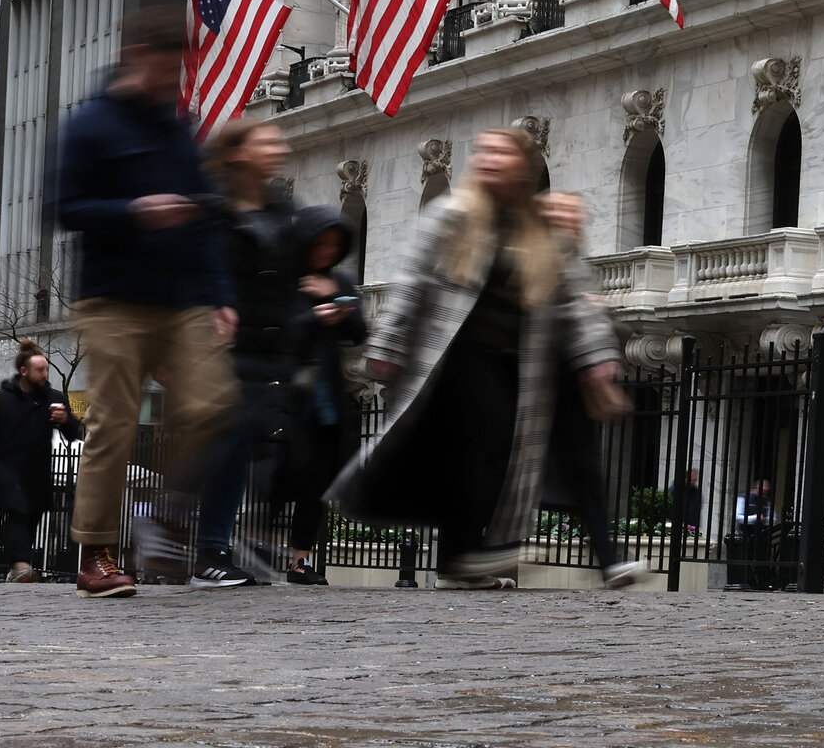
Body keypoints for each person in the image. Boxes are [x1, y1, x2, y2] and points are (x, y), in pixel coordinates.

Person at [331, 127, 624, 588]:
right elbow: (411, 284)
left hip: (516, 362)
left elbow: (570, 299)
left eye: (501, 153)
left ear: (523, 167)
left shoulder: (538, 229)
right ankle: (469, 554)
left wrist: (596, 356)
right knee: (483, 439)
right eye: (483, 152)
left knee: (491, 454)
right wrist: (387, 347)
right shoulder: (450, 215)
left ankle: (458, 563)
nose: (488, 159)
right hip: (457, 353)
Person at [53, 6, 238, 598]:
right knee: (115, 421)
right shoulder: (90, 125)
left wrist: (220, 296)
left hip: (181, 297)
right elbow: (64, 207)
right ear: (136, 59)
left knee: (215, 405)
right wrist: (134, 211)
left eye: (176, 71)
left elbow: (205, 216)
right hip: (113, 299)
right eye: (165, 70)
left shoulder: (177, 128)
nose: (172, 82)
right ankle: (96, 553)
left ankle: (164, 520)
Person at [192, 118, 302, 588]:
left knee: (253, 443)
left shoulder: (281, 209)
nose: (279, 148)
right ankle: (209, 548)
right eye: (266, 142)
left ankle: (218, 539)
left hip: (269, 344)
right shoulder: (214, 210)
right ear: (238, 153)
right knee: (233, 439)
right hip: (220, 342)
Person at [534, 189, 642, 589]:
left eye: (572, 213)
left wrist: (597, 354)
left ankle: (609, 560)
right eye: (557, 211)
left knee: (585, 471)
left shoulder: (573, 260)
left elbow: (581, 315)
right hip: (532, 376)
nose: (566, 218)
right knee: (513, 469)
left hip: (566, 375)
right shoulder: (540, 254)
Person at [279, 204, 368, 584]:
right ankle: (242, 543)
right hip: (284, 393)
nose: (327, 251)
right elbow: (277, 332)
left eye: (335, 244)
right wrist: (314, 317)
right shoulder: (286, 280)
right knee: (284, 473)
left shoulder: (339, 282)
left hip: (325, 398)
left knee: (316, 479)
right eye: (322, 243)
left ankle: (300, 559)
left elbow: (361, 331)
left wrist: (337, 302)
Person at [0, 342, 81, 582]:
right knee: (18, 512)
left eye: (46, 370)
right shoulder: (1, 399)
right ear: (24, 371)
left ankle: (16, 567)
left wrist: (65, 420)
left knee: (32, 515)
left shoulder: (54, 398)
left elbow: (73, 434)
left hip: (38, 470)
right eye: (39, 370)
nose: (45, 375)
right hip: (7, 469)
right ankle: (21, 565)